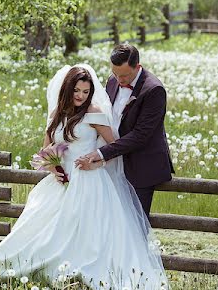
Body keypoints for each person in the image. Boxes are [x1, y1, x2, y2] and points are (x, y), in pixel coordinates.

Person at [0, 63, 184, 290]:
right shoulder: (56, 115)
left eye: (85, 91)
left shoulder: (94, 113)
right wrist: (53, 167)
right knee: (43, 228)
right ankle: (36, 271)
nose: (81, 96)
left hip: (89, 181)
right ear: (67, 90)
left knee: (85, 232)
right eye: (77, 91)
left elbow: (114, 148)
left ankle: (79, 277)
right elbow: (46, 150)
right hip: (60, 182)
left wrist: (97, 161)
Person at [74, 44, 175, 218]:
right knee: (110, 221)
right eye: (115, 73)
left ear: (138, 66)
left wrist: (101, 153)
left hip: (141, 166)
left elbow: (140, 136)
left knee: (135, 224)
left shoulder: (154, 90)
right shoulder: (112, 80)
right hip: (112, 164)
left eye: (125, 75)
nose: (119, 79)